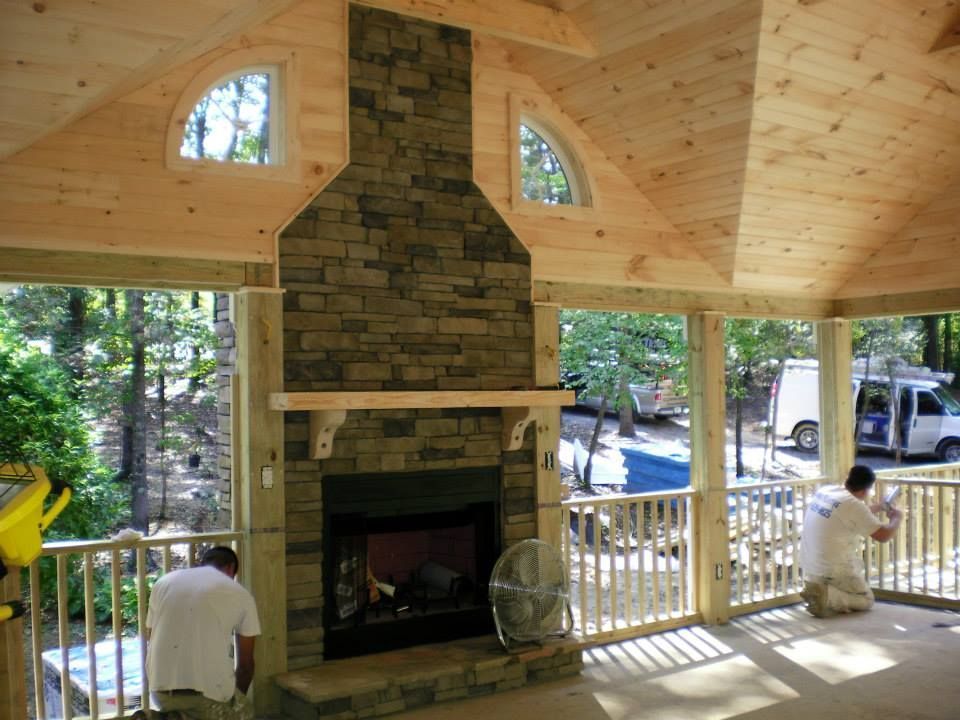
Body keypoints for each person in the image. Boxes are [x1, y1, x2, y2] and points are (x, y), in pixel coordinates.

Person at [146, 546, 261, 720]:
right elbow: (246, 666)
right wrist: (235, 703)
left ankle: (169, 716)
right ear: (230, 568)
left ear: (202, 564)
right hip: (207, 697)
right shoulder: (241, 595)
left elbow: (151, 635)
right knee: (245, 711)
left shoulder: (163, 582)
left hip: (160, 690)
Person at [799, 465, 903, 618]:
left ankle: (819, 589)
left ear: (847, 478)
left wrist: (879, 507)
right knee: (866, 600)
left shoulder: (827, 491)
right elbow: (884, 535)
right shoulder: (854, 506)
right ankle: (827, 596)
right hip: (832, 569)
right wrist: (897, 519)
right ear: (866, 490)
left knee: (848, 577)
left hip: (810, 566)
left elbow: (850, 513)